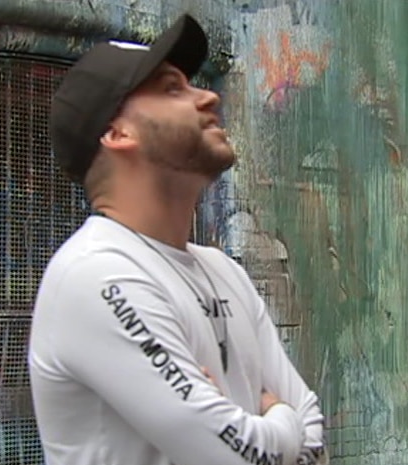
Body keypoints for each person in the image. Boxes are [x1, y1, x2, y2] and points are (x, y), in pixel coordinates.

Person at [28, 13, 327, 465]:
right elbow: (248, 457)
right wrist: (282, 420)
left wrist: (265, 425)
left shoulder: (224, 271)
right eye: (172, 89)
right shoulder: (95, 275)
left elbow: (315, 439)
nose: (207, 95)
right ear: (117, 132)